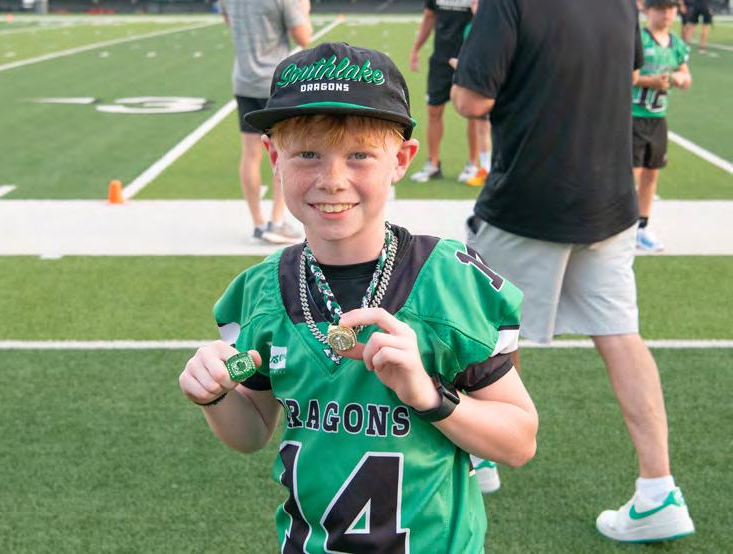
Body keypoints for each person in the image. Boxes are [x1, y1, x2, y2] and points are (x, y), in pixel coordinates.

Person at [180, 42, 538, 552]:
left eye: (359, 155)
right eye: (308, 154)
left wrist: (429, 395)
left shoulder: (447, 281)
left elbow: (519, 442)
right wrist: (214, 396)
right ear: (274, 158)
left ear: (401, 160)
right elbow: (253, 430)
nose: (332, 180)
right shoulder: (262, 290)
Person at [452, 0, 695, 543]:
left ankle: (482, 453)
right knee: (621, 334)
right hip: (609, 196)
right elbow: (627, 69)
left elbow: (471, 99)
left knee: (487, 327)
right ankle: (659, 489)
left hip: (529, 196)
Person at [219, 0, 312, 244]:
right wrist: (304, 9)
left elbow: (229, 21)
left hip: (244, 80)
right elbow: (304, 37)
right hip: (274, 83)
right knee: (282, 150)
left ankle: (258, 224)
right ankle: (277, 221)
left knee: (250, 153)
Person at [633, 0, 691, 252]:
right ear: (647, 10)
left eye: (671, 8)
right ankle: (623, 226)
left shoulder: (676, 44)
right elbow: (624, 77)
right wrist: (651, 82)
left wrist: (680, 78)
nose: (667, 13)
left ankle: (642, 225)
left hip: (658, 118)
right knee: (631, 175)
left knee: (651, 173)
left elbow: (686, 75)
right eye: (660, 8)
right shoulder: (639, 39)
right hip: (633, 115)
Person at [409, 0, 478, 183]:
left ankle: (473, 164)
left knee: (473, 113)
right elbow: (429, 17)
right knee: (433, 111)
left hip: (469, 59)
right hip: (440, 60)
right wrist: (416, 48)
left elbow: (489, 22)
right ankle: (433, 164)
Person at [448, 0, 491, 188]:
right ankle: (487, 169)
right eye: (472, 2)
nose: (474, 5)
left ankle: (490, 170)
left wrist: (460, 65)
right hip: (482, 81)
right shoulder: (470, 27)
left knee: (490, 127)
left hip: (488, 82)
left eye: (478, 3)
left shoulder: (489, 27)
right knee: (483, 127)